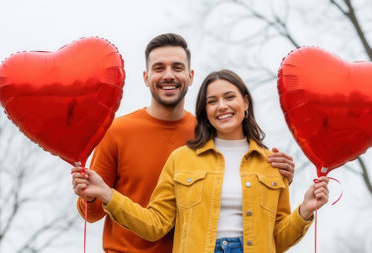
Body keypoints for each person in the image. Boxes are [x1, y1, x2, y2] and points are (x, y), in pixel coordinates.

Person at [76, 33, 296, 252]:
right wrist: (94, 194)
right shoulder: (117, 132)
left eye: (177, 67)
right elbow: (92, 214)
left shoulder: (209, 135)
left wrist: (276, 176)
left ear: (190, 76)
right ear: (146, 77)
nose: (169, 75)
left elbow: (245, 193)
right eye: (159, 68)